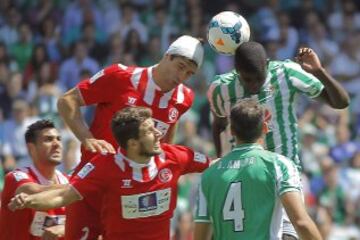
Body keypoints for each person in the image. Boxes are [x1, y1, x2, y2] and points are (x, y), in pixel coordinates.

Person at [57, 35, 204, 239]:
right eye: (180, 67)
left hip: (131, 200)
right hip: (91, 190)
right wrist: (86, 138)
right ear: (167, 56)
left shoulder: (184, 98)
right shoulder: (120, 76)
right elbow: (67, 101)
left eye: (189, 73)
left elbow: (170, 128)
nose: (182, 76)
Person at [207, 42, 349, 238]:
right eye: (248, 80)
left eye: (259, 78)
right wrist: (220, 158)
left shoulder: (287, 73)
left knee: (291, 233)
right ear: (237, 71)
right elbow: (219, 124)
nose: (255, 86)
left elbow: (341, 102)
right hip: (245, 177)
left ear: (267, 64)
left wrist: (319, 71)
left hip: (285, 176)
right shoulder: (220, 88)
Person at [9, 107, 211, 240]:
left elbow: (214, 165)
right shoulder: (104, 167)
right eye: (150, 131)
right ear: (132, 143)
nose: (159, 134)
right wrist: (29, 201)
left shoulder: (175, 157)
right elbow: (64, 195)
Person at [194, 99, 322, 240]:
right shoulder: (278, 165)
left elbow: (201, 235)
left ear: (231, 131)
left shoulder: (210, 173)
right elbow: (301, 223)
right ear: (265, 128)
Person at [0, 120, 68, 240]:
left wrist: (64, 227)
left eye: (59, 139)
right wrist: (79, 188)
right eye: (48, 139)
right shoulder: (16, 176)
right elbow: (34, 191)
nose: (56, 144)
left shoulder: (68, 181)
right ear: (31, 148)